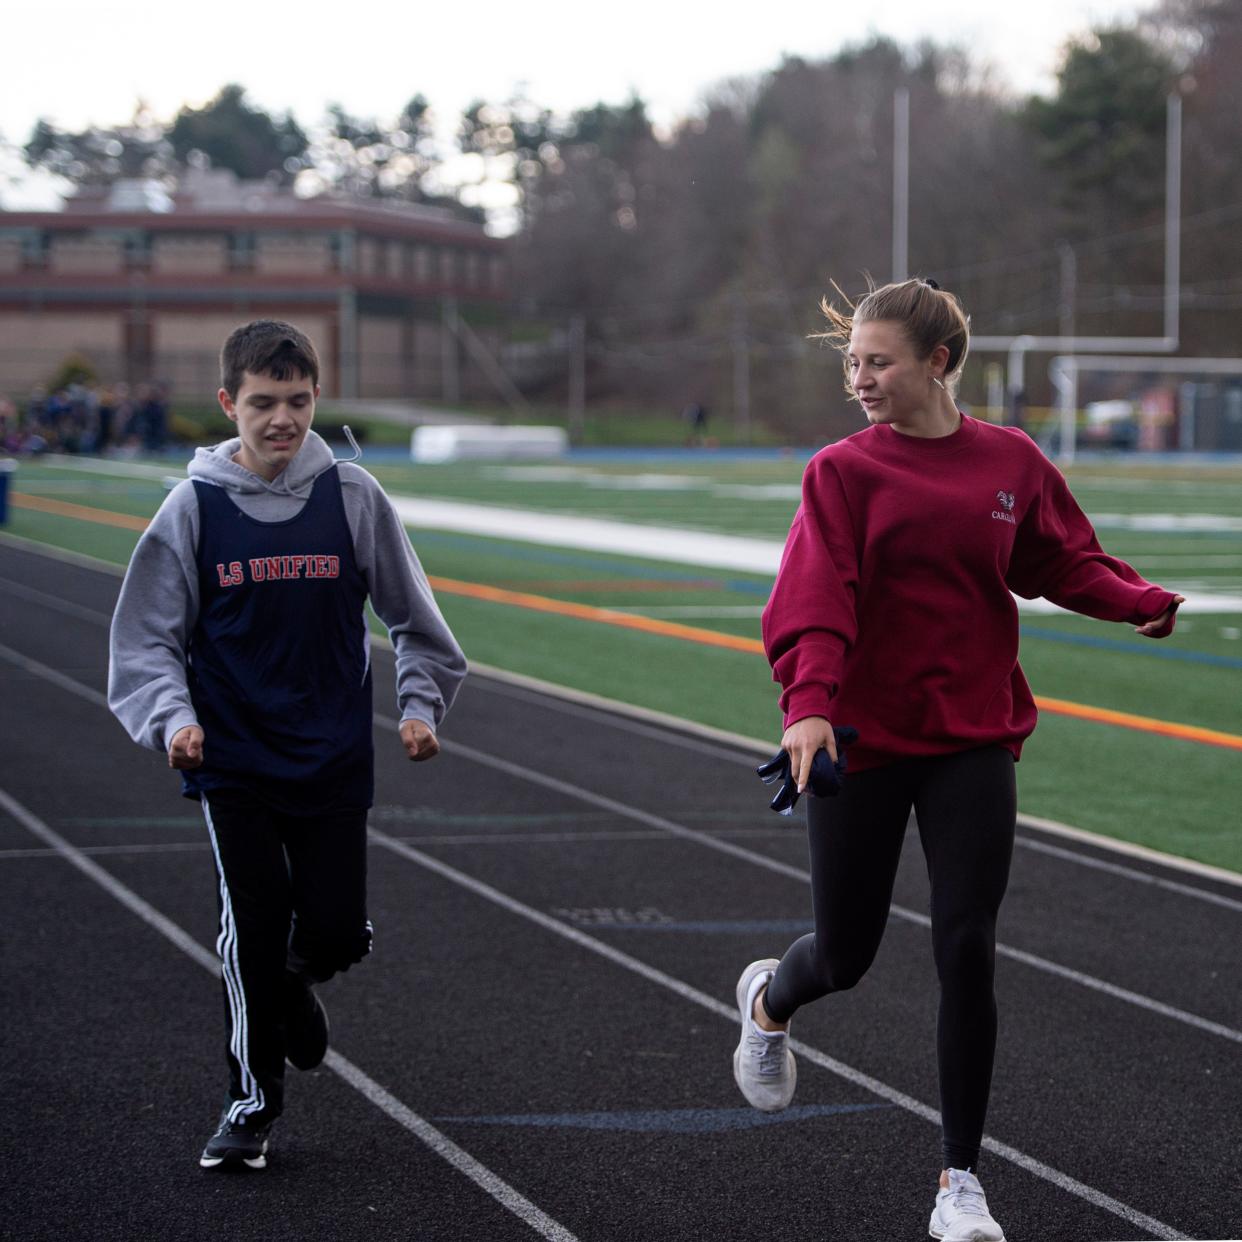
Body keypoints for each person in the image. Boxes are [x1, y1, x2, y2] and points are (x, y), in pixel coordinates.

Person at [731, 278, 1183, 1242]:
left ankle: (960, 1184)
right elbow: (819, 595)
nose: (858, 379)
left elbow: (1062, 561)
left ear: (937, 363)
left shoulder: (1009, 461)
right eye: (850, 361)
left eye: (877, 361)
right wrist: (807, 708)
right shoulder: (842, 473)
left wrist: (1140, 599)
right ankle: (770, 999)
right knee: (846, 956)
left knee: (966, 946)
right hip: (859, 741)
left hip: (974, 736)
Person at [108, 320, 467, 1171]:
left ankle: (293, 985)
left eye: (298, 402)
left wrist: (421, 708)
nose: (282, 420)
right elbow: (146, 638)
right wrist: (173, 719)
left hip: (334, 754)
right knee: (254, 929)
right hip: (232, 757)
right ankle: (250, 1103)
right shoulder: (192, 507)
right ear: (229, 403)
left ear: (315, 399)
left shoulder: (352, 498)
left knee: (338, 931)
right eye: (263, 403)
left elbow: (418, 624)